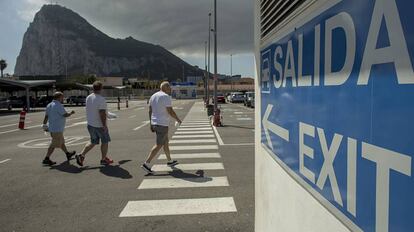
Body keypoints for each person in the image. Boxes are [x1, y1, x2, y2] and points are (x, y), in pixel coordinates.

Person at [141, 81, 182, 174]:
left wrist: (151, 123)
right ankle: (146, 164)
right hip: (162, 124)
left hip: (155, 123)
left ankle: (169, 161)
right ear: (165, 87)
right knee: (159, 144)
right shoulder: (165, 96)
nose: (170, 89)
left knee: (165, 142)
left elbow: (150, 111)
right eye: (169, 87)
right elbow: (170, 111)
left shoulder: (153, 96)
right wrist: (178, 120)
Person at [75, 81, 114, 166]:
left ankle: (81, 155)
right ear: (101, 88)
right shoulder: (101, 99)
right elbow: (102, 113)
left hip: (90, 124)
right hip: (99, 125)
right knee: (105, 141)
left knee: (93, 141)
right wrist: (104, 125)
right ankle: (103, 159)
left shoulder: (89, 97)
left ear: (93, 88)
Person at [42, 92, 76, 166]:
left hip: (52, 128)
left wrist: (44, 125)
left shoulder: (49, 105)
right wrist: (71, 113)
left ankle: (67, 154)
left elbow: (46, 116)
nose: (62, 99)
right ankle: (46, 158)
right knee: (54, 144)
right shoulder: (58, 105)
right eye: (62, 97)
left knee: (61, 142)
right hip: (57, 128)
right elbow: (65, 114)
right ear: (59, 97)